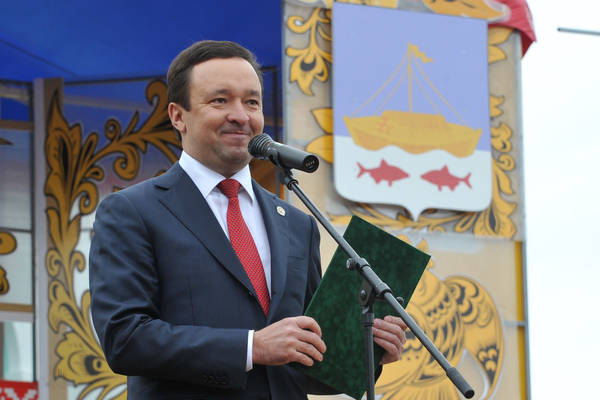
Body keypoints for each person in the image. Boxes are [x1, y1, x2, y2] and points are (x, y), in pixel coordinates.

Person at [89, 40, 407, 400]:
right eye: (220, 100)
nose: (241, 115)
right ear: (178, 116)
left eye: (252, 102)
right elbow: (125, 338)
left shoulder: (297, 224)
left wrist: (367, 352)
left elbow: (305, 366)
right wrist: (251, 347)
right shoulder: (132, 211)